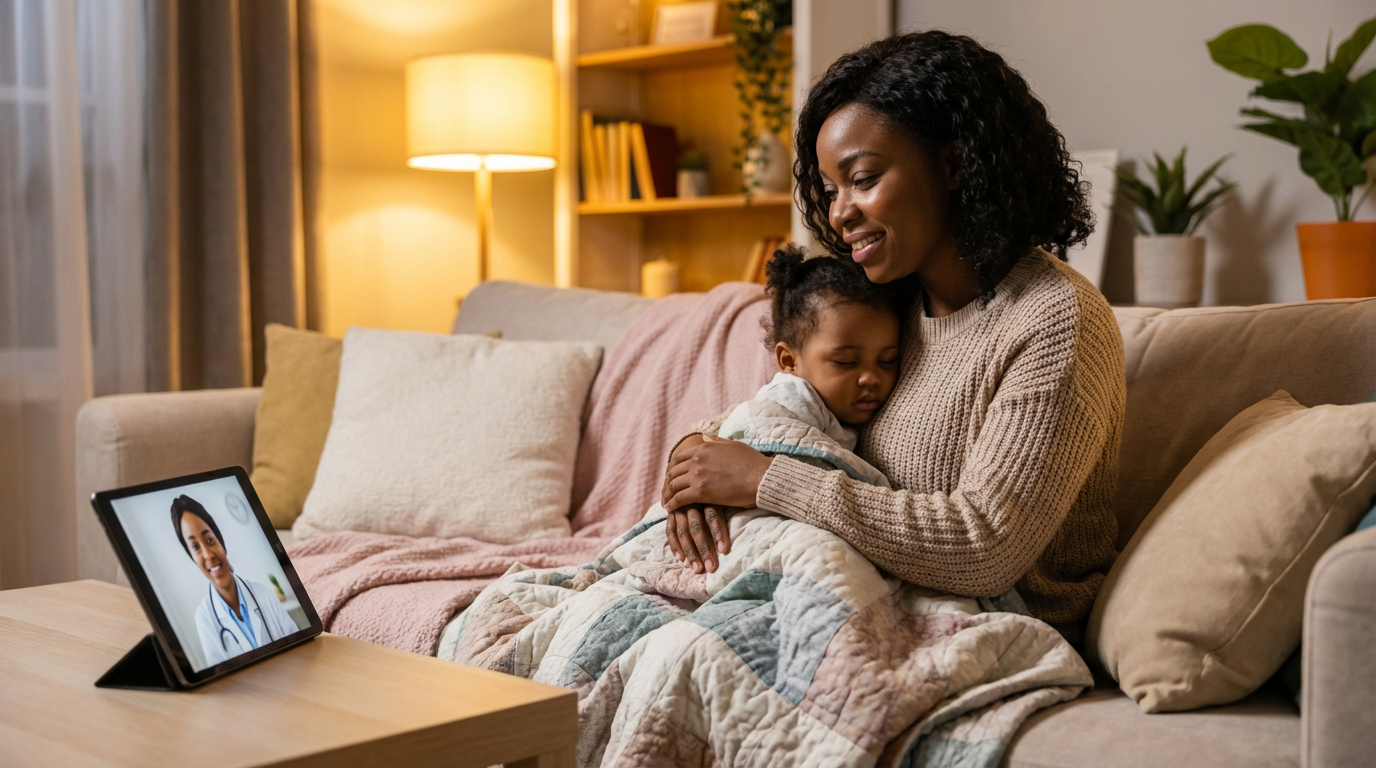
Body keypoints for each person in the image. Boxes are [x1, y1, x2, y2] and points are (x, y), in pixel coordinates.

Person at [662, 30, 1126, 636]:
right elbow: (783, 409)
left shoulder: (1056, 320)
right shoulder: (887, 303)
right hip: (855, 591)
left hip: (994, 625)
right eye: (830, 190)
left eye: (863, 178)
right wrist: (693, 463)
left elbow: (984, 546)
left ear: (955, 163)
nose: (838, 213)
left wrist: (764, 479)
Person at [666, 244, 907, 572]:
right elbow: (751, 432)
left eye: (888, 360)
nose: (871, 377)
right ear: (789, 360)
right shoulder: (792, 399)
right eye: (845, 361)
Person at [172, 495, 298, 666]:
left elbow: (300, 647)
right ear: (192, 558)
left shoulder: (265, 594)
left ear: (222, 544)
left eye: (210, 540)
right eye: (195, 547)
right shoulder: (204, 619)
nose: (208, 555)